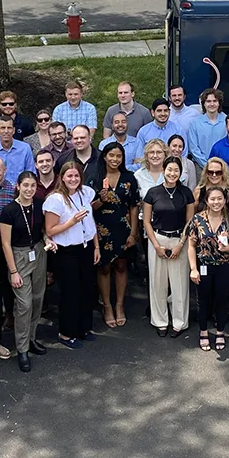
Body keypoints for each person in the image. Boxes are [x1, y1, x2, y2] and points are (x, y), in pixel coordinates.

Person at [44, 161, 102, 348]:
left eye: (76, 175)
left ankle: (83, 328)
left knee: (86, 289)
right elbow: (50, 230)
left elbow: (91, 222)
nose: (73, 179)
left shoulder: (85, 192)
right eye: (69, 176)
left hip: (85, 247)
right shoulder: (56, 199)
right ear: (62, 177)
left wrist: (96, 247)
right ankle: (66, 333)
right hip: (66, 252)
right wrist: (71, 222)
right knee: (70, 292)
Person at [0, 172, 49, 372]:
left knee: (38, 299)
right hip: (18, 256)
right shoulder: (9, 210)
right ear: (18, 186)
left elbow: (44, 230)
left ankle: (31, 338)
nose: (29, 189)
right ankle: (21, 349)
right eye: (25, 185)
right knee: (24, 304)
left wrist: (48, 241)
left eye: (33, 185)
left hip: (38, 252)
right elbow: (5, 242)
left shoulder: (39, 204)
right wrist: (13, 271)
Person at [141, 158, 194, 337]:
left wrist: (181, 244)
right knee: (158, 283)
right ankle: (160, 321)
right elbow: (146, 222)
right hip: (158, 239)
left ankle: (179, 322)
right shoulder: (152, 192)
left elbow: (190, 221)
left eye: (176, 170)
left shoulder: (186, 192)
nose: (172, 173)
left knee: (180, 284)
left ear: (180, 172)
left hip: (180, 239)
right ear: (164, 170)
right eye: (169, 169)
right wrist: (156, 245)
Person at [90, 141, 140, 328]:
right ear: (104, 156)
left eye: (118, 156)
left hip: (123, 228)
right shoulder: (95, 178)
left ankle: (119, 305)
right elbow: (88, 208)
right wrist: (101, 200)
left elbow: (134, 206)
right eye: (111, 155)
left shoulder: (129, 177)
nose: (115, 159)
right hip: (100, 230)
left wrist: (133, 232)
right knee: (104, 267)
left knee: (121, 266)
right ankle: (107, 306)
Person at [189, 186, 229, 352]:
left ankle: (220, 332)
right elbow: (191, 246)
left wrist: (227, 248)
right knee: (203, 300)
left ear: (225, 200)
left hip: (224, 266)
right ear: (206, 201)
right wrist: (193, 269)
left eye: (219, 199)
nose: (216, 202)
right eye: (212, 199)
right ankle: (203, 332)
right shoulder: (198, 219)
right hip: (204, 266)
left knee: (222, 299)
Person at [0, 116, 37, 182]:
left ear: (14, 130)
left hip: (20, 191)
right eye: (3, 128)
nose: (6, 131)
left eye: (9, 128)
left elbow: (31, 174)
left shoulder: (25, 149)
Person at [186, 89, 228, 166]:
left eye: (215, 101)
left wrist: (220, 165)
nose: (212, 104)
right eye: (208, 101)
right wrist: (206, 165)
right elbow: (193, 149)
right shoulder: (195, 123)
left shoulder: (227, 121)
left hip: (224, 166)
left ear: (219, 103)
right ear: (204, 104)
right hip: (201, 167)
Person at [197, 158, 229, 223]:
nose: (214, 175)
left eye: (218, 172)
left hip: (225, 230)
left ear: (223, 173)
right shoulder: (199, 190)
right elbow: (192, 217)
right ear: (206, 173)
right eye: (210, 172)